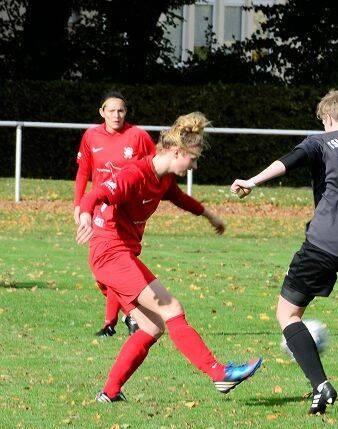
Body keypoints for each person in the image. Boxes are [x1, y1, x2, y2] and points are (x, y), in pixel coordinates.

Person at [231, 89, 338, 414]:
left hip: (326, 240)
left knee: (287, 313)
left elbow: (289, 161)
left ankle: (321, 385)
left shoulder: (321, 142)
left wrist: (253, 181)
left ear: (327, 117)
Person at [76, 111, 262, 402]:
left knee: (151, 326)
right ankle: (219, 373)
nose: (194, 165)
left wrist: (210, 216)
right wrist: (86, 215)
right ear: (176, 152)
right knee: (172, 308)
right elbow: (95, 194)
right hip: (109, 253)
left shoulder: (162, 179)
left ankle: (109, 393)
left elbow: (180, 199)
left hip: (121, 255)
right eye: (193, 158)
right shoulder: (134, 174)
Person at [74, 91, 156, 337]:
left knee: (117, 268)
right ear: (102, 112)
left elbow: (155, 168)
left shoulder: (138, 136)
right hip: (99, 210)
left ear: (126, 112)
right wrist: (79, 204)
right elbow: (83, 172)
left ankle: (111, 323)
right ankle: (130, 315)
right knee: (102, 272)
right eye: (111, 110)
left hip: (126, 213)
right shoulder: (91, 136)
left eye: (121, 110)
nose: (116, 115)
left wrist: (146, 200)